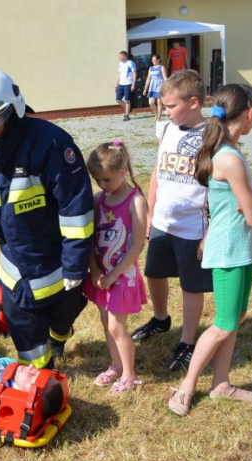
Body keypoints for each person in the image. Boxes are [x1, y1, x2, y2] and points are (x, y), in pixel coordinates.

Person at [0, 67, 93, 369]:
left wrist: (75, 264)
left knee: (63, 313)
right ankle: (41, 374)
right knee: (22, 323)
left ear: (14, 106)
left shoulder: (52, 143)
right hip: (15, 263)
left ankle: (59, 338)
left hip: (54, 258)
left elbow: (76, 208)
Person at [168, 85, 252, 416]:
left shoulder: (230, 150)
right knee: (224, 323)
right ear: (249, 113)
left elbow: (245, 207)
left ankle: (222, 384)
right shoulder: (228, 158)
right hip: (230, 250)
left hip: (239, 249)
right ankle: (185, 388)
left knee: (235, 317)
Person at [131, 71, 212, 371]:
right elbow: (157, 171)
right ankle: (161, 319)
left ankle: (188, 340)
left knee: (191, 285)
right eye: (164, 106)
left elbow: (222, 179)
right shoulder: (167, 129)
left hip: (193, 227)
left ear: (194, 102)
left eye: (171, 106)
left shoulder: (211, 134)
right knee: (154, 273)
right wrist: (151, 211)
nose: (166, 111)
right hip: (163, 221)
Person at [82, 140, 148, 394]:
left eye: (106, 179)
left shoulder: (136, 201)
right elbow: (90, 237)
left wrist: (113, 275)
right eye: (97, 180)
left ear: (122, 172)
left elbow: (137, 246)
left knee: (116, 326)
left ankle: (129, 376)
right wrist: (96, 271)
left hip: (122, 276)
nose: (101, 185)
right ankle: (117, 365)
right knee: (105, 321)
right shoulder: (99, 199)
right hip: (102, 275)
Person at [143, 54, 168, 122]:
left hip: (160, 85)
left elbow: (165, 77)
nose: (153, 61)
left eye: (154, 60)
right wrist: (145, 89)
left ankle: (159, 117)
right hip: (152, 86)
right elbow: (148, 79)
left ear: (158, 60)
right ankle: (156, 113)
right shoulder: (150, 68)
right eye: (152, 60)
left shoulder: (162, 67)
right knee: (151, 102)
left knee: (159, 102)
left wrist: (168, 86)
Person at [115, 51, 138, 122]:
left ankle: (127, 115)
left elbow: (134, 73)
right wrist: (116, 83)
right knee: (118, 99)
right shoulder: (120, 64)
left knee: (127, 100)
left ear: (124, 56)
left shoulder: (130, 63)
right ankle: (129, 109)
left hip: (128, 84)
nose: (119, 57)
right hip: (121, 84)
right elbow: (119, 74)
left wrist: (133, 84)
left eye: (120, 56)